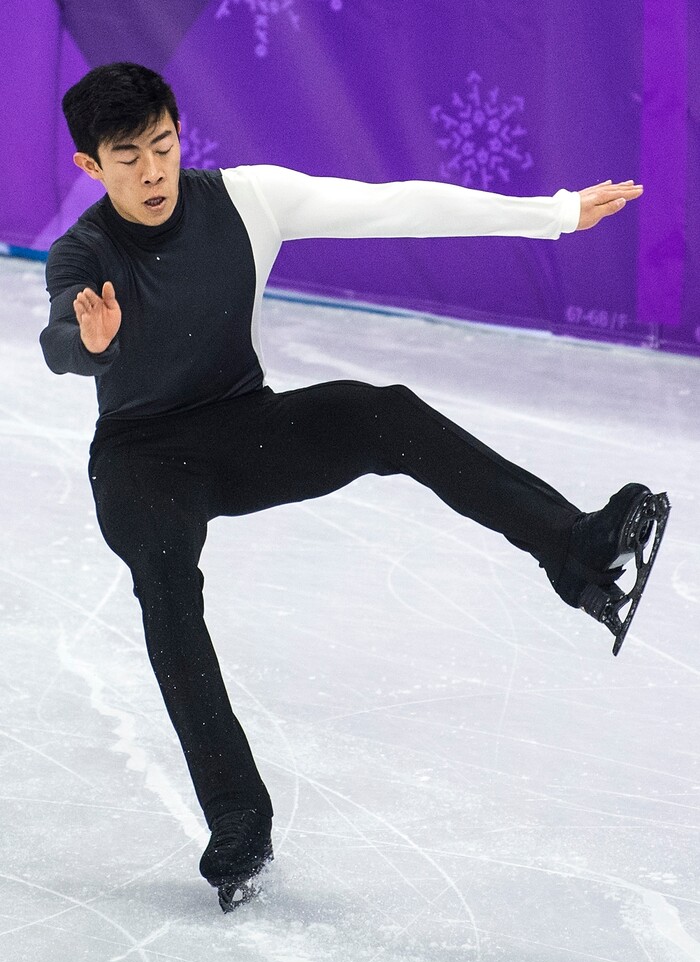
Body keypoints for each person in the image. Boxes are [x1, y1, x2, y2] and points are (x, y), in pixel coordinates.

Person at [40, 62, 667, 912]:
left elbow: (394, 203)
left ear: (180, 132)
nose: (152, 172)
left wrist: (553, 214)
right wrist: (95, 344)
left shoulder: (245, 200)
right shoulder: (85, 253)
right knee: (165, 585)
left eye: (163, 145)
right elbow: (60, 342)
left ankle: (574, 547)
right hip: (142, 458)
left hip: (240, 427)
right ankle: (238, 819)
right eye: (127, 158)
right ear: (90, 167)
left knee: (386, 414)